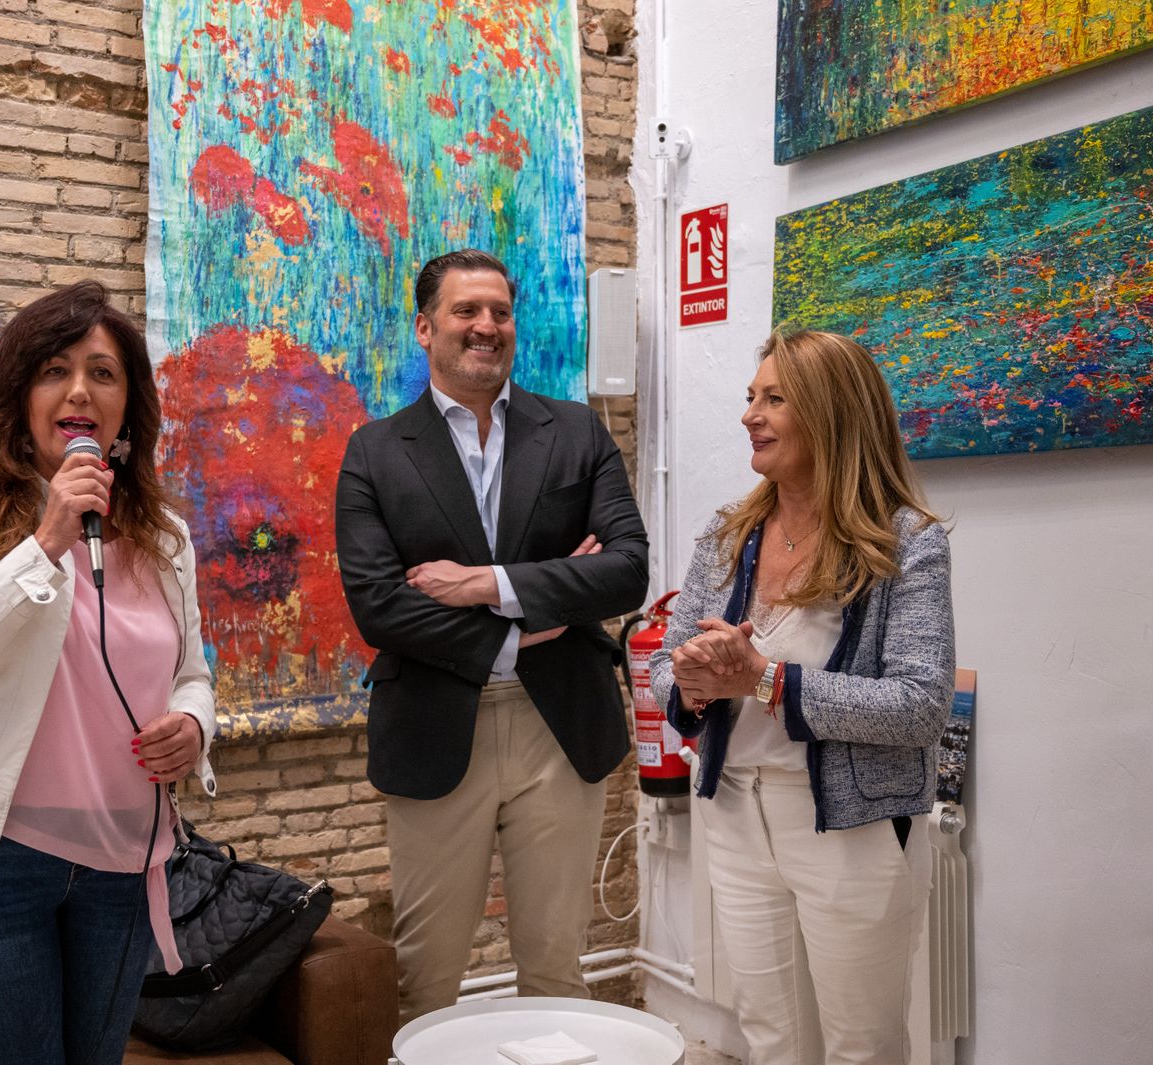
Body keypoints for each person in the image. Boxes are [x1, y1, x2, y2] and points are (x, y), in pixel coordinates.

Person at [0, 280, 216, 1065]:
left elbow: (192, 672)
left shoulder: (163, 533)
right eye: (55, 369)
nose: (79, 391)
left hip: (122, 854)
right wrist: (45, 542)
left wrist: (195, 724)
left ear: (127, 404)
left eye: (103, 372)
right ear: (21, 391)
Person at [335, 248, 650, 1022]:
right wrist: (525, 627)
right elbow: (380, 606)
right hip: (437, 728)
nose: (486, 327)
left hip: (560, 728)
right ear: (425, 327)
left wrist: (488, 586)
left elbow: (627, 570)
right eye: (466, 311)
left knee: (555, 968)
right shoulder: (375, 452)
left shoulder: (575, 432)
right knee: (425, 978)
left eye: (500, 312)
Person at [649, 329, 954, 1065]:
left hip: (847, 829)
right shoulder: (728, 533)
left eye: (774, 398)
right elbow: (667, 664)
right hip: (732, 815)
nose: (751, 414)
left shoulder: (905, 540)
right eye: (750, 397)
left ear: (832, 412)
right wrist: (692, 678)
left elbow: (919, 704)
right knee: (772, 1040)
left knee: (863, 1047)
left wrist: (761, 677)